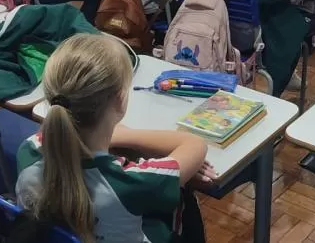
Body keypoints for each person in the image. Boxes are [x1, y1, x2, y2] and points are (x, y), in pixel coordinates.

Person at [15, 33, 212, 242]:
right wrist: (127, 136)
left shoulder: (27, 152)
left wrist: (107, 138)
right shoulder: (131, 182)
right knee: (185, 198)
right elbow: (195, 144)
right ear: (120, 100)